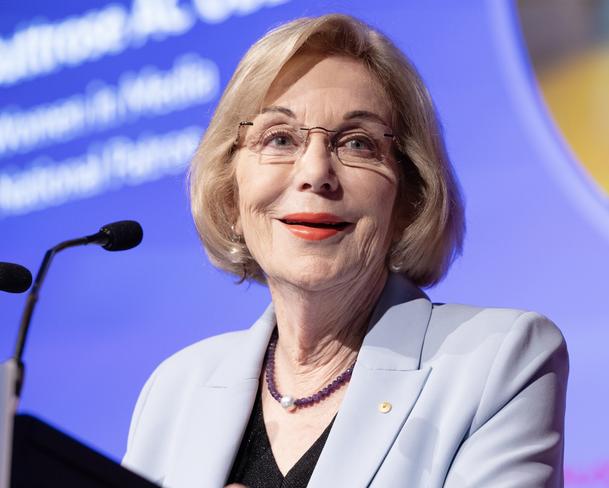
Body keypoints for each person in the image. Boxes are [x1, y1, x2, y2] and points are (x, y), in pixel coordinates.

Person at [122, 13, 568, 488]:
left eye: (357, 143)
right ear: (231, 195)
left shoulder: (498, 359)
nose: (315, 172)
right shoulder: (177, 388)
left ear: (409, 198)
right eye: (279, 139)